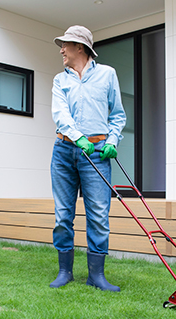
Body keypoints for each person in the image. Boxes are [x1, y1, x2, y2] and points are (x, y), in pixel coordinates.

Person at [49, 25, 126, 291]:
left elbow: (117, 115)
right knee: (62, 214)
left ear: (79, 47)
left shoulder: (107, 75)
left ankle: (96, 275)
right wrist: (75, 135)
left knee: (98, 216)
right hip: (64, 151)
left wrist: (113, 140)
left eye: (65, 45)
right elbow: (60, 114)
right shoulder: (61, 80)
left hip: (96, 152)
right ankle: (64, 271)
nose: (62, 50)